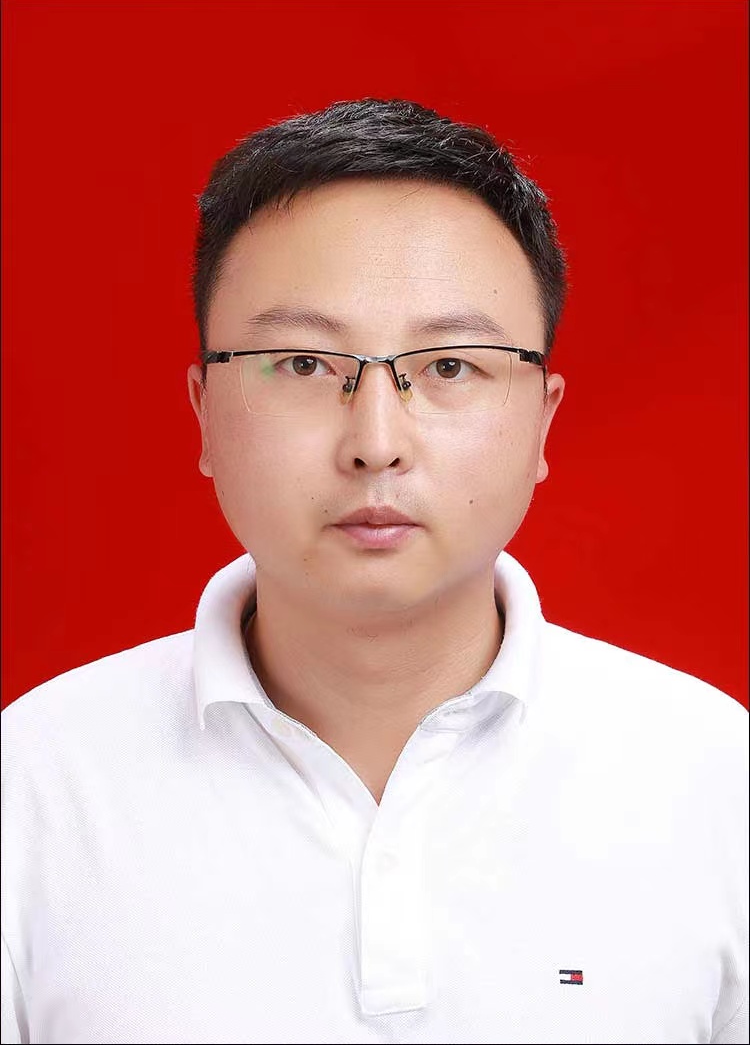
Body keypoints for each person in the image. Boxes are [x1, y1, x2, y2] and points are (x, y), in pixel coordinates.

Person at [1, 98, 746, 1045]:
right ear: (204, 412)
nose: (376, 442)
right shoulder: (34, 788)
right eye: (302, 365)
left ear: (543, 421)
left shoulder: (716, 779)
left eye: (450, 367)